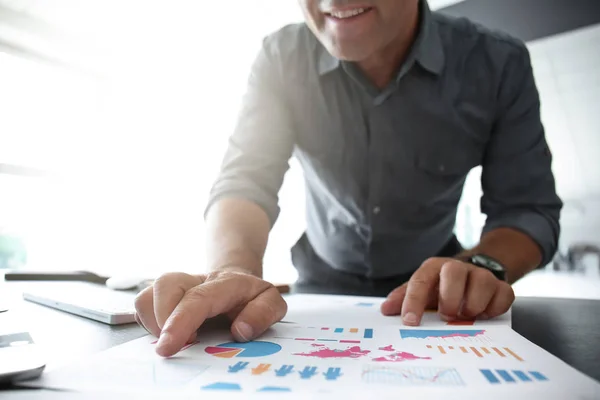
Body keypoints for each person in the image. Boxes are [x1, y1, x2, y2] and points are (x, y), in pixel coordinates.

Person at [134, 0, 562, 357]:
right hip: (318, 288)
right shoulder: (281, 58)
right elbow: (245, 181)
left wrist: (482, 266)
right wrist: (230, 271)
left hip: (439, 297)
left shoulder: (498, 62)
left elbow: (528, 209)